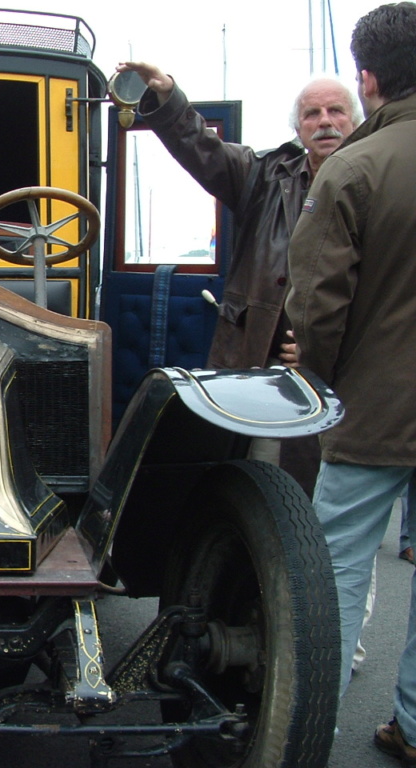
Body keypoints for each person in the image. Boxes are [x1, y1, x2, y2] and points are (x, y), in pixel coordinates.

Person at [115, 61, 360, 496]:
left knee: (329, 500)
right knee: (255, 487)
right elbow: (202, 149)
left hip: (343, 377)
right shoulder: (265, 176)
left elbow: (384, 287)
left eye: (336, 111)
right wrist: (167, 95)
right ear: (298, 129)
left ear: (355, 121)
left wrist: (321, 344)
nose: (325, 122)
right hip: (259, 368)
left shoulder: (372, 182)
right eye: (312, 114)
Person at [284, 3, 416, 761]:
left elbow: (319, 306)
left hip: (374, 412)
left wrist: (329, 385)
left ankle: (308, 730)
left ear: (369, 79)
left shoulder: (354, 170)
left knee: (334, 573)